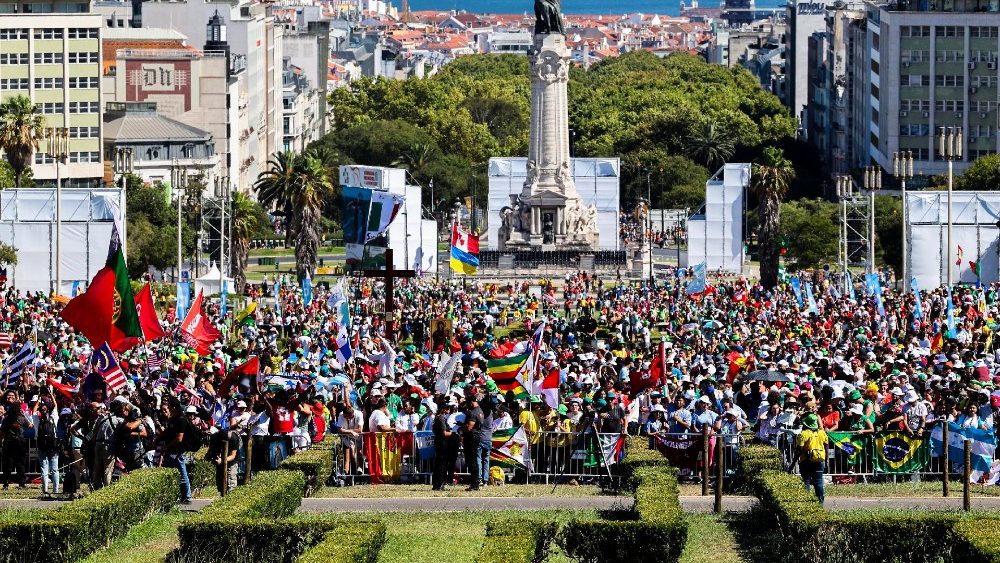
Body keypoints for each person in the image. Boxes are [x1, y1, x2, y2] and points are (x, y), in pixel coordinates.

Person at [159, 399, 192, 504]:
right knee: (168, 473)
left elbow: (179, 438)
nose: (168, 409)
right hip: (170, 450)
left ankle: (187, 497)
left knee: (182, 474)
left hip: (178, 451)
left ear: (174, 407)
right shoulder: (173, 419)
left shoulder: (181, 419)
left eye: (169, 406)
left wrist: (167, 446)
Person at [794, 413, 828, 504]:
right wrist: (826, 460)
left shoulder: (803, 434)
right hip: (820, 460)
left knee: (806, 481)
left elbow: (799, 450)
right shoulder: (822, 433)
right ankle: (820, 502)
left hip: (806, 461)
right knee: (819, 482)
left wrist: (793, 464)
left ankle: (807, 502)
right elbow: (826, 446)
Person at [35, 402, 60, 497]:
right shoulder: (53, 418)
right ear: (48, 411)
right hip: (53, 447)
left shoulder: (37, 420)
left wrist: (38, 400)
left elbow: (34, 411)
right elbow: (55, 405)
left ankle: (45, 490)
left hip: (42, 447)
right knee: (55, 469)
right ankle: (56, 490)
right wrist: (51, 394)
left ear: (40, 412)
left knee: (44, 469)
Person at [461, 396, 485, 491]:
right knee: (474, 460)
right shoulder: (480, 410)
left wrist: (461, 427)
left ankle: (474, 484)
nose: (466, 405)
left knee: (471, 461)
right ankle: (475, 482)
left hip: (472, 437)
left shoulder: (473, 412)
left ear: (471, 402)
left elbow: (469, 427)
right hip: (477, 436)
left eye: (467, 403)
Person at [336, 401, 364, 477]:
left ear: (351, 415)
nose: (345, 418)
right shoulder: (341, 414)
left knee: (359, 453)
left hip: (358, 437)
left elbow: (359, 429)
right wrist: (351, 432)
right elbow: (339, 429)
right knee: (350, 453)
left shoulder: (359, 414)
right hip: (347, 437)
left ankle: (360, 468)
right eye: (344, 416)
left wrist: (347, 431)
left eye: (346, 417)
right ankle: (350, 472)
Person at [431, 398, 454, 491]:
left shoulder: (437, 418)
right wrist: (453, 434)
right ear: (443, 409)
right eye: (447, 409)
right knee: (441, 464)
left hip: (438, 442)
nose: (448, 411)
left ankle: (436, 484)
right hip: (442, 443)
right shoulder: (441, 418)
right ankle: (439, 484)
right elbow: (444, 433)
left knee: (438, 463)